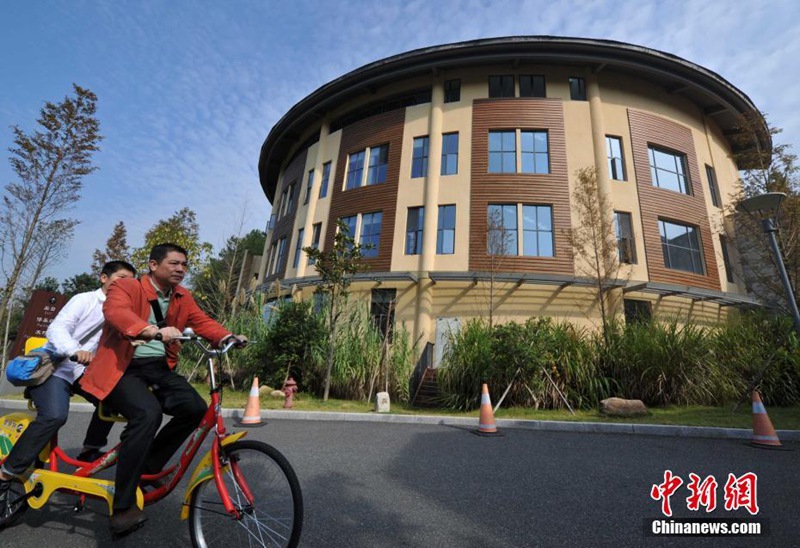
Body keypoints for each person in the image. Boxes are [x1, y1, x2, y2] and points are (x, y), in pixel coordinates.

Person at [79, 243, 247, 537]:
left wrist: (227, 336)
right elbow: (115, 312)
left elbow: (202, 322)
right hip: (121, 368)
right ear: (153, 265)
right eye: (174, 263)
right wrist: (151, 330)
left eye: (184, 264)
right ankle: (123, 506)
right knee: (147, 414)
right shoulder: (128, 286)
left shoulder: (183, 296)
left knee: (194, 409)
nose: (181, 269)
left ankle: (147, 466)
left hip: (157, 367)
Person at [0, 260, 137, 518]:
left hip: (86, 373)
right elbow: (57, 328)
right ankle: (6, 473)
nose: (123, 285)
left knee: (117, 403)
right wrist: (74, 350)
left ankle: (90, 449)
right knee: (54, 415)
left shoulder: (124, 310)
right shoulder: (84, 300)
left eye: (129, 281)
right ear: (103, 278)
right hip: (57, 367)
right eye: (119, 278)